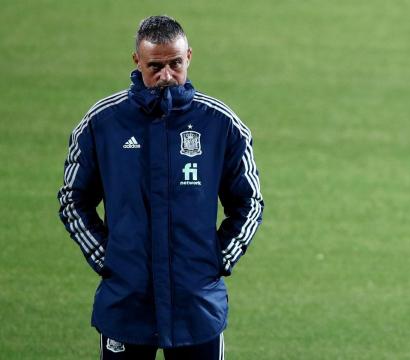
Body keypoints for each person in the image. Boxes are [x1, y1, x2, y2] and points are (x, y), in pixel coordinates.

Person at [57, 15, 264, 359]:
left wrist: (219, 258)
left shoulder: (221, 124)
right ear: (136, 61)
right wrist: (105, 255)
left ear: (189, 57)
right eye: (155, 66)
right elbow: (72, 199)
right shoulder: (101, 123)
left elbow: (250, 202)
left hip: (196, 307)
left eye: (175, 64)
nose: (166, 75)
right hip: (127, 304)